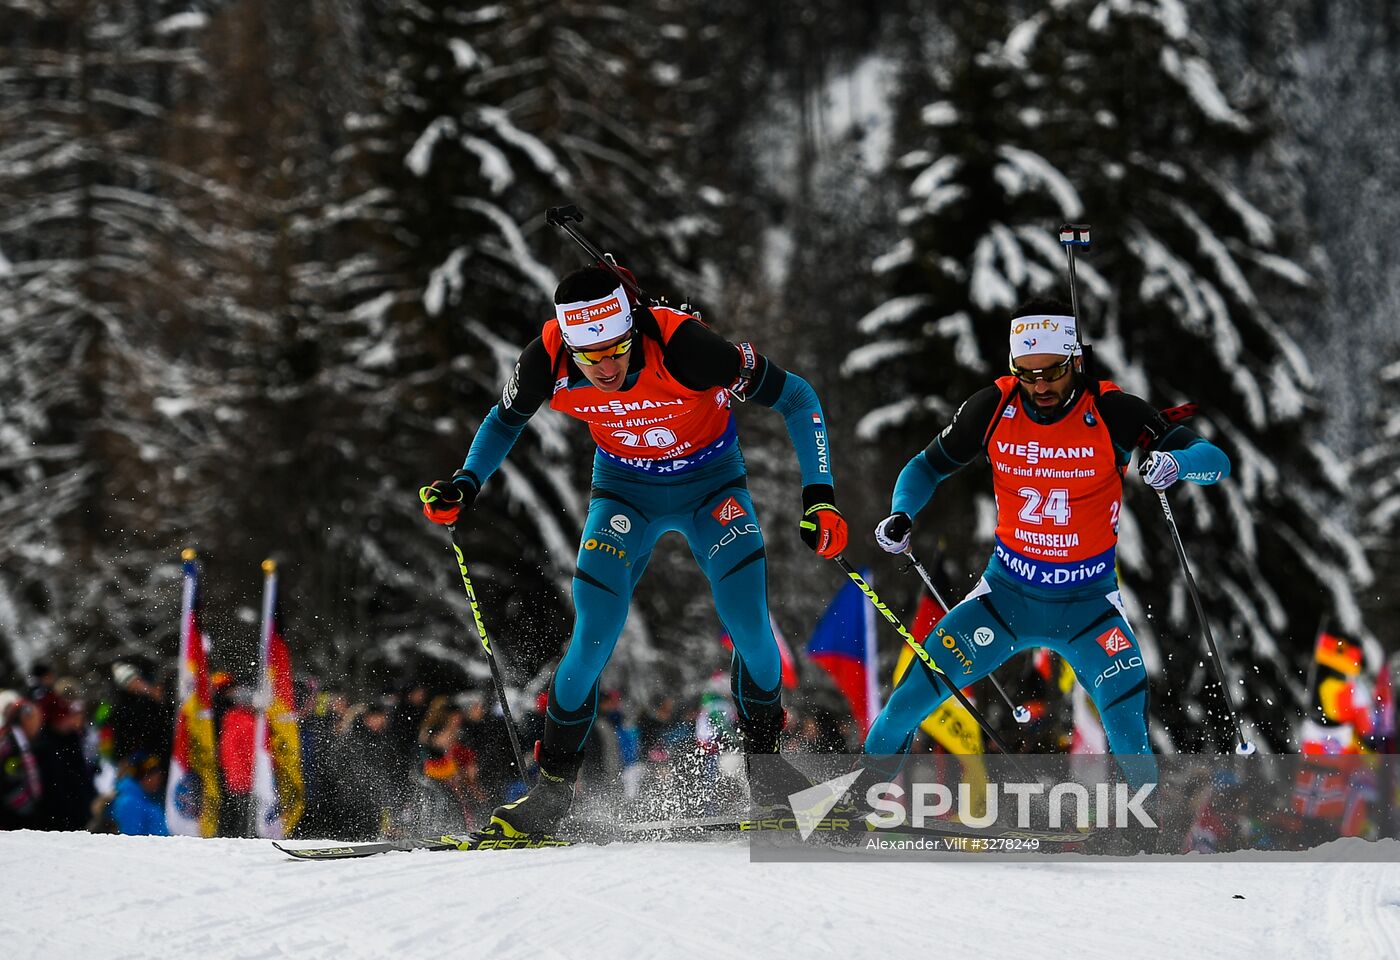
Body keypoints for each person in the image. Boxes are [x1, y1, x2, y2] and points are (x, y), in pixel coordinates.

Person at [420, 263, 848, 837]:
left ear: (632, 329)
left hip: (711, 486)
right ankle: (551, 794)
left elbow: (798, 397)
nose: (604, 369)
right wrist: (465, 484)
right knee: (593, 634)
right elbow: (504, 421)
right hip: (624, 492)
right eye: (589, 358)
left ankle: (768, 780)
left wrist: (820, 498)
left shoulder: (685, 347)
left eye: (616, 351)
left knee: (750, 626)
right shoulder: (548, 357)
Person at [866, 298, 1231, 788]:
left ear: (1075, 361)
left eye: (1052, 372)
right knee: (904, 706)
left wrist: (1177, 465)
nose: (1039, 386)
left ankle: (1141, 839)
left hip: (1088, 608)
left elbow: (1215, 459)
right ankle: (860, 802)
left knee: (1128, 732)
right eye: (1026, 373)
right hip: (1004, 599)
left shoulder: (1111, 410)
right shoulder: (993, 407)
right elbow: (926, 466)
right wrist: (900, 514)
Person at [0, 692, 44, 829]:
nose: (39, 724)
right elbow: (8, 777)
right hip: (13, 818)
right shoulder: (10, 744)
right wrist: (25, 809)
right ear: (25, 719)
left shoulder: (22, 742)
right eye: (36, 719)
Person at [110, 752, 170, 836]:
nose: (159, 780)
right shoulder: (130, 803)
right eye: (154, 774)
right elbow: (131, 843)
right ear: (144, 777)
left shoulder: (144, 798)